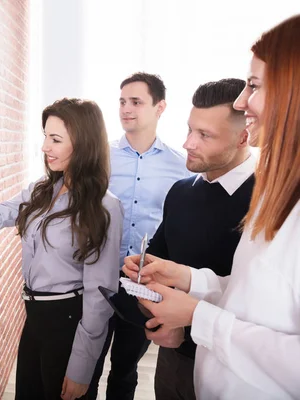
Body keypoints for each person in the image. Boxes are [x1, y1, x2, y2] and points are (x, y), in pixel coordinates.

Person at [123, 15, 300, 400]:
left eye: (253, 86)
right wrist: (182, 277)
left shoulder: (266, 194)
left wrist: (195, 316)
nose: (243, 101)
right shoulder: (276, 195)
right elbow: (249, 296)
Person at [0, 98, 123, 400]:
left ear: (83, 144)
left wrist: (82, 367)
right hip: (34, 317)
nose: (45, 147)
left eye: (56, 139)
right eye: (46, 136)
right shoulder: (41, 191)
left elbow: (100, 295)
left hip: (69, 321)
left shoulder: (104, 207)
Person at [143, 78, 255, 400]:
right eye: (190, 129)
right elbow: (158, 263)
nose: (188, 143)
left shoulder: (271, 202)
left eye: (204, 135)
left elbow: (260, 300)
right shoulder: (179, 193)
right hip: (171, 360)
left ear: (243, 137)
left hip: (234, 368)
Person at [88, 72, 189, 400]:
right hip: (98, 279)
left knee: (125, 370)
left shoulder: (182, 167)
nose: (125, 109)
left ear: (160, 108)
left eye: (136, 102)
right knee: (86, 365)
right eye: (121, 102)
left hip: (144, 283)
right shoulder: (100, 158)